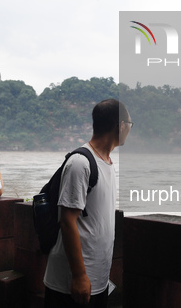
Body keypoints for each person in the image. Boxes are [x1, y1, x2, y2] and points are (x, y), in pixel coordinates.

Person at [44, 99, 132, 308]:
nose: (130, 129)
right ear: (119, 126)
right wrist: (79, 276)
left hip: (97, 280)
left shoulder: (107, 164)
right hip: (71, 283)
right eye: (129, 124)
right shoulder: (81, 163)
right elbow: (67, 221)